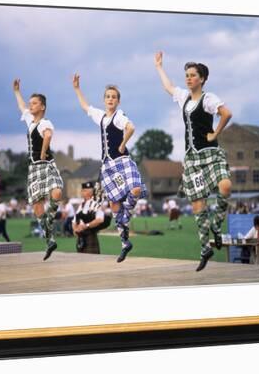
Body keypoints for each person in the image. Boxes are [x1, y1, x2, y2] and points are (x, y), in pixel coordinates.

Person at [154, 51, 233, 271]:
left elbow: (226, 113)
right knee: (198, 203)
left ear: (202, 79)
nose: (188, 78)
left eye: (192, 75)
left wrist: (215, 133)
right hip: (191, 157)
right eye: (187, 75)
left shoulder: (209, 99)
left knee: (225, 186)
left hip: (210, 153)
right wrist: (159, 67)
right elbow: (168, 86)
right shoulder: (183, 98)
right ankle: (205, 246)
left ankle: (217, 225)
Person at [72, 74, 147, 262]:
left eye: (114, 96)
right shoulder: (101, 117)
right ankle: (124, 242)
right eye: (108, 96)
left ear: (118, 101)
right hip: (107, 165)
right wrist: (77, 89)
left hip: (122, 161)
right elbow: (85, 107)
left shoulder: (119, 116)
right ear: (104, 99)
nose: (110, 99)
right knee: (114, 203)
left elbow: (131, 128)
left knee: (135, 189)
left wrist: (122, 144)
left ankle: (125, 218)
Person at [13, 79, 64, 260]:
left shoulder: (44, 122)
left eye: (34, 103)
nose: (30, 105)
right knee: (36, 206)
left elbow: (48, 136)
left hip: (46, 164)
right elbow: (21, 108)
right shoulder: (30, 120)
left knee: (56, 193)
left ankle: (50, 220)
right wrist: (17, 91)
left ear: (42, 107)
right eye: (30, 103)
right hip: (33, 168)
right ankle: (49, 239)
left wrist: (43, 152)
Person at [72, 181, 112, 254]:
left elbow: (100, 220)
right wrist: (75, 229)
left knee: (93, 262)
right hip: (81, 238)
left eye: (84, 191)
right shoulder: (81, 205)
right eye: (83, 190)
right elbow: (74, 220)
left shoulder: (95, 204)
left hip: (90, 236)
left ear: (89, 193)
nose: (82, 192)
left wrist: (86, 226)